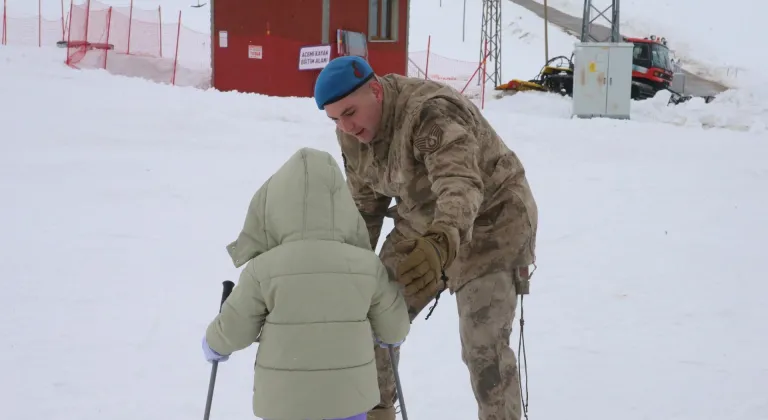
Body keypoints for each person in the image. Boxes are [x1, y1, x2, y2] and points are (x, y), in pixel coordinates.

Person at [313, 56, 539, 420]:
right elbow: (365, 208)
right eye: (335, 118)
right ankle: (377, 413)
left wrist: (441, 241)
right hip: (423, 217)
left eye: (350, 112)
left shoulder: (430, 113)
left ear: (375, 91)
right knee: (372, 317)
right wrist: (347, 269)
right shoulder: (351, 136)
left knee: (484, 350)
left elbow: (460, 184)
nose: (346, 126)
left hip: (493, 222)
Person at [201, 147, 412, 420]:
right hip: (349, 402)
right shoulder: (366, 266)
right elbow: (394, 329)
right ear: (342, 207)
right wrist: (386, 334)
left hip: (285, 407)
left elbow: (234, 328)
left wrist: (214, 344)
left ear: (275, 207)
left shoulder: (264, 269)